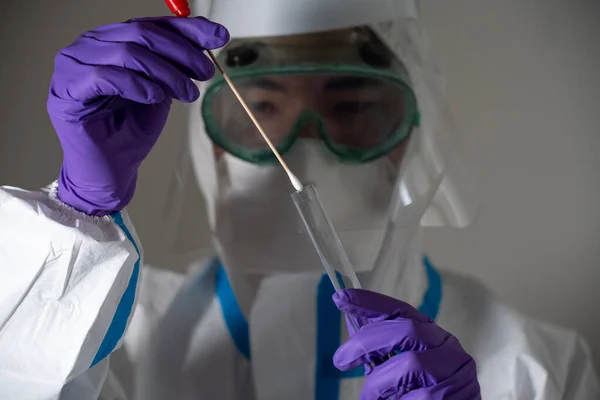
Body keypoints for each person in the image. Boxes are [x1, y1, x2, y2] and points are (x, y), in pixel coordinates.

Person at [0, 0, 597, 399]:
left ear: (414, 130)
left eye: (354, 106)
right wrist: (79, 210)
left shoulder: (538, 366)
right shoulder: (108, 335)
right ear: (206, 140)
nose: (305, 147)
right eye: (261, 107)